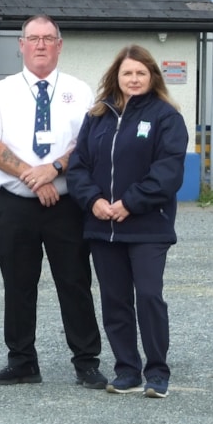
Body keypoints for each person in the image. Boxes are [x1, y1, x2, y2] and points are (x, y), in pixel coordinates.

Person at [0, 15, 107, 389]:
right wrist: (33, 176)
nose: (41, 45)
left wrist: (55, 169)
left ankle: (86, 362)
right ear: (21, 45)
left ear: (60, 45)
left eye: (49, 38)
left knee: (75, 282)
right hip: (16, 204)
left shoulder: (80, 91)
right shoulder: (1, 91)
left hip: (66, 206)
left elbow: (89, 143)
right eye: (34, 38)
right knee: (18, 284)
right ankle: (22, 361)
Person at [66, 44, 188, 399]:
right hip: (103, 226)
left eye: (140, 73)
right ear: (115, 77)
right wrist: (96, 202)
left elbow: (168, 172)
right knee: (115, 300)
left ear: (152, 77)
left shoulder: (166, 117)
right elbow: (79, 169)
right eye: (127, 73)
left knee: (149, 296)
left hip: (148, 226)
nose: (133, 79)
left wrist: (129, 204)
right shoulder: (97, 116)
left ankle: (157, 371)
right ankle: (126, 369)